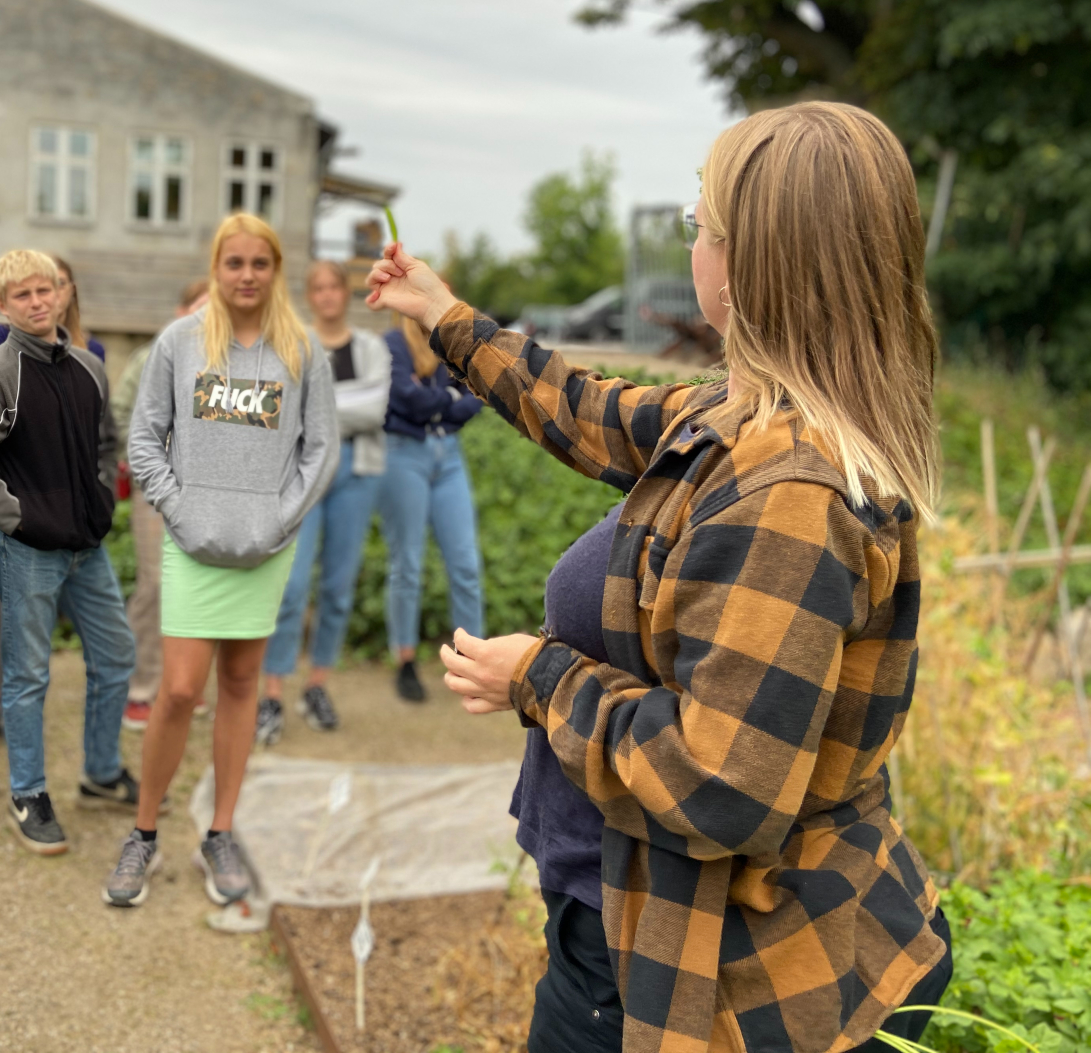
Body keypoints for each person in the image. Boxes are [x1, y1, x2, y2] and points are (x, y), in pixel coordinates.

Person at [370, 101, 953, 1053]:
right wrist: (446, 318)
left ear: (751, 263)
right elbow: (600, 410)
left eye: (701, 227)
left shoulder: (790, 495)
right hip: (643, 925)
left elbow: (720, 783)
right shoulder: (750, 414)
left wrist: (537, 677)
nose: (693, 247)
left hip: (691, 963)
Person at [105, 213, 337, 909]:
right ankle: (144, 832)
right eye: (233, 263)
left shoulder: (302, 350)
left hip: (263, 549)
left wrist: (279, 519)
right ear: (216, 267)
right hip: (193, 544)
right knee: (178, 690)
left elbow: (319, 450)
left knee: (242, 683)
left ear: (276, 271)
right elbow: (143, 440)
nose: (245, 276)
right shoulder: (179, 343)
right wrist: (181, 510)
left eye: (258, 264)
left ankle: (221, 832)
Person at [0, 248, 142, 855]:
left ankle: (102, 772)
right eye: (22, 296)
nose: (38, 302)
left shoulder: (88, 366)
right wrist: (24, 518)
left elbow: (105, 444)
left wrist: (103, 503)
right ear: (2, 306)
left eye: (46, 290)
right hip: (28, 550)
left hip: (89, 546)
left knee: (115, 655)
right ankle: (28, 793)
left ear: (61, 293)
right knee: (27, 675)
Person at [256, 260, 390, 743]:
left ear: (345, 294)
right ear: (309, 295)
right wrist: (337, 404)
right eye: (319, 287)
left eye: (335, 286)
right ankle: (271, 692)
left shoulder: (371, 347)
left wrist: (318, 402)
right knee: (290, 589)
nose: (328, 294)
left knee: (337, 588)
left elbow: (374, 411)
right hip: (300, 474)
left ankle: (316, 685)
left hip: (356, 473)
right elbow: (283, 409)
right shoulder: (293, 344)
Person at [111, 277, 211, 732]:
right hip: (158, 490)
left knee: (202, 586)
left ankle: (186, 684)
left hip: (212, 495)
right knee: (154, 587)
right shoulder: (150, 357)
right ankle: (140, 688)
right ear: (181, 310)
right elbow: (117, 418)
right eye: (200, 307)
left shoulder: (233, 361)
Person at [377, 310, 484, 702]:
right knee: (407, 563)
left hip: (449, 457)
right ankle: (404, 660)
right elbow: (403, 396)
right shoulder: (392, 344)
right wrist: (449, 399)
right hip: (404, 455)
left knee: (466, 565)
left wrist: (435, 401)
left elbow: (477, 396)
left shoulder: (453, 345)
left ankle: (473, 664)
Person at [0, 253, 105, 360]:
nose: (37, 301)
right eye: (23, 294)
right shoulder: (4, 335)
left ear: (72, 290)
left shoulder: (93, 350)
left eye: (60, 283)